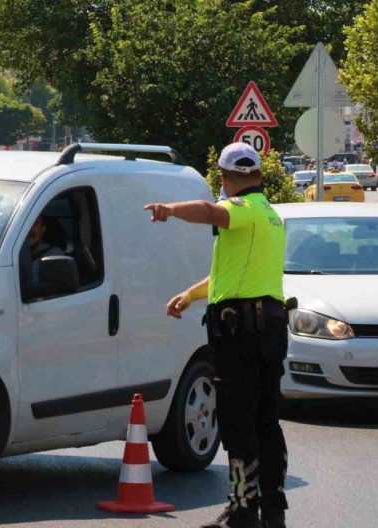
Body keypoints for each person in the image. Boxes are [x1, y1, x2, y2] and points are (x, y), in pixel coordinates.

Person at [144, 142, 289, 528]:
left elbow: (211, 212)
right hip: (269, 328)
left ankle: (243, 511)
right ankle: (273, 510)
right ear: (258, 175)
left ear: (224, 179)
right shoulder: (271, 217)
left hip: (241, 333)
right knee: (266, 422)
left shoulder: (241, 210)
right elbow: (229, 279)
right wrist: (190, 296)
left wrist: (170, 210)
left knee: (239, 422)